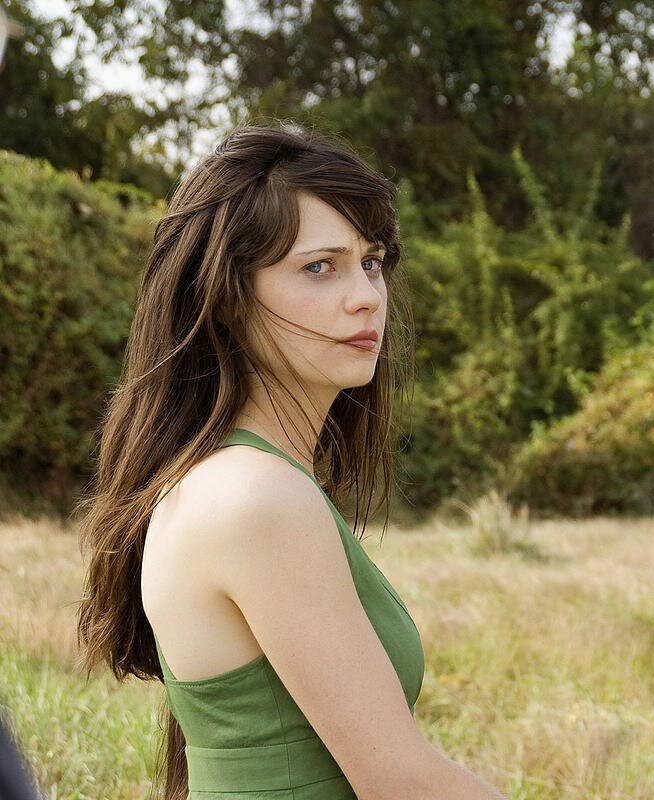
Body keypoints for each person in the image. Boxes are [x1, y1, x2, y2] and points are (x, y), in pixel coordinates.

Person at [76, 126, 506, 800]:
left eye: (372, 261)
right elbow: (402, 783)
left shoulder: (234, 480)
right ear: (227, 297)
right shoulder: (255, 497)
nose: (367, 296)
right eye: (320, 267)